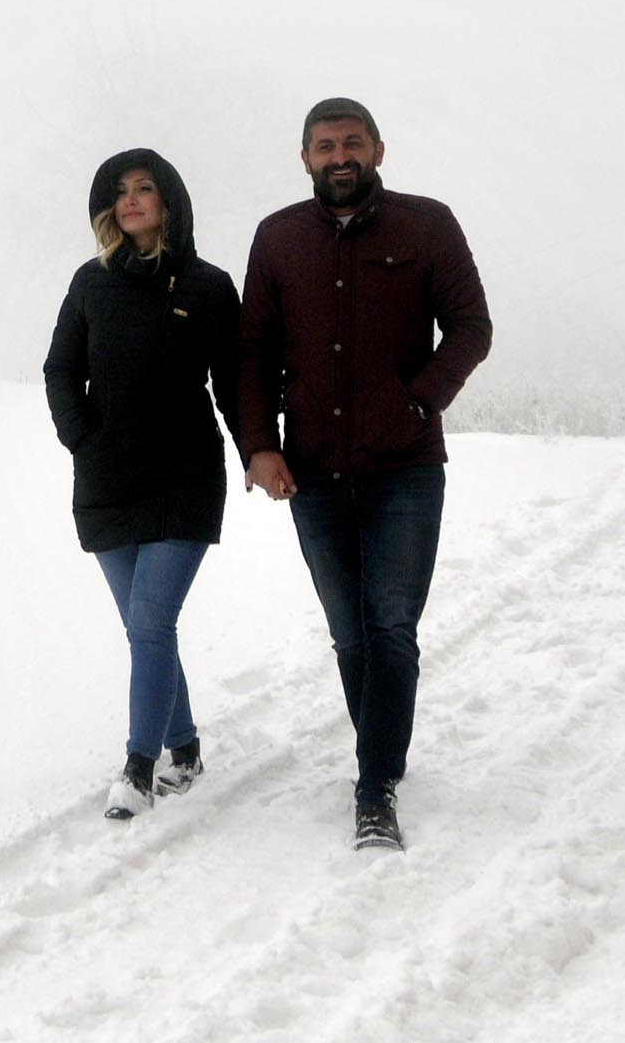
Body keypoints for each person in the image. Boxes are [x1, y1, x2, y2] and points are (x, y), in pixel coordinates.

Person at [237, 98, 491, 852]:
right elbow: (253, 353)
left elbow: (471, 325)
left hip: (404, 468)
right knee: (351, 636)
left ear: (378, 148)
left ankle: (373, 783)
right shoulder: (278, 238)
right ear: (305, 156)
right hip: (311, 473)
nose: (339, 154)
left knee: (390, 626)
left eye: (352, 142)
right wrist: (260, 445)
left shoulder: (427, 225)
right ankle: (383, 750)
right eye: (324, 144)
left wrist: (419, 402)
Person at [42, 148, 250, 820]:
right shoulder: (90, 282)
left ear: (169, 202)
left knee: (151, 619)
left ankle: (140, 765)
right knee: (144, 625)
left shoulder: (208, 286)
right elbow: (60, 368)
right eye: (120, 191)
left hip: (185, 475)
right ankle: (184, 746)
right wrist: (82, 436)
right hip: (108, 478)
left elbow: (238, 383)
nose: (131, 200)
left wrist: (260, 451)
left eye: (144, 188)